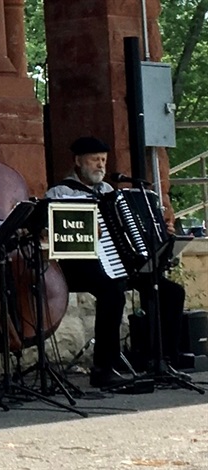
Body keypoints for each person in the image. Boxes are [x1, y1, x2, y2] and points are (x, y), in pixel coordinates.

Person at [45, 136, 186, 388]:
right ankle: (103, 368)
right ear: (78, 161)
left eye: (103, 160)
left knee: (170, 291)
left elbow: (124, 229)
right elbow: (58, 235)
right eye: (94, 160)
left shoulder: (110, 192)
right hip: (78, 266)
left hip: (117, 263)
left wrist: (159, 234)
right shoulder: (59, 192)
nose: (100, 165)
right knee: (112, 292)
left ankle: (162, 361)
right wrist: (88, 228)